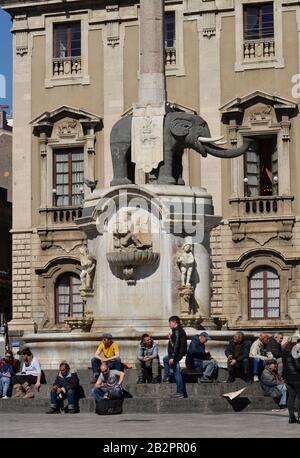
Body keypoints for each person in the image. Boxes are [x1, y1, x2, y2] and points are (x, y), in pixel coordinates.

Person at [163, 316, 187, 398]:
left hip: (176, 355)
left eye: (170, 323)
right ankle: (167, 377)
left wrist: (172, 356)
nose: (169, 325)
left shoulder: (177, 331)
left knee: (177, 373)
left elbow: (176, 345)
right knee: (165, 359)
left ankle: (180, 392)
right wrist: (170, 338)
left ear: (174, 322)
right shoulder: (178, 330)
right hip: (177, 354)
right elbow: (175, 342)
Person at [282, 336, 300, 424]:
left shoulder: (284, 350)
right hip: (296, 377)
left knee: (291, 397)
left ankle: (291, 418)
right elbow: (297, 365)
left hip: (288, 377)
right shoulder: (295, 350)